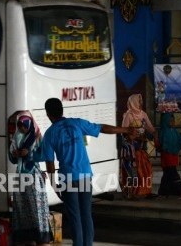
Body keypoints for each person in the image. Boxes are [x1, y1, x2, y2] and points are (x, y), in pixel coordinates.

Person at [41, 98, 136, 246]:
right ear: (62, 110)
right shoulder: (77, 123)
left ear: (48, 114)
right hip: (85, 176)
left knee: (75, 217)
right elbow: (102, 128)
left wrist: (54, 185)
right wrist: (124, 130)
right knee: (86, 215)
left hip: (68, 179)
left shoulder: (49, 134)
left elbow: (49, 164)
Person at [8, 114, 51, 246]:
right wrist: (14, 155)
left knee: (36, 207)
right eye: (20, 127)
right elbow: (12, 157)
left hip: (33, 175)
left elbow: (43, 155)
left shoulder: (37, 137)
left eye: (24, 127)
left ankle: (40, 236)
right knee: (22, 207)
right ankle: (25, 236)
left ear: (29, 125)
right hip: (21, 176)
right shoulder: (16, 137)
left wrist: (29, 154)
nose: (22, 130)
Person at [122, 93, 157, 198]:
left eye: (141, 101)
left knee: (146, 169)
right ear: (134, 102)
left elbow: (150, 128)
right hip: (132, 149)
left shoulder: (143, 114)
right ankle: (130, 193)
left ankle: (146, 191)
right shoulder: (128, 115)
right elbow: (123, 131)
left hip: (142, 147)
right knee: (132, 171)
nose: (141, 103)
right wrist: (134, 136)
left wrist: (155, 134)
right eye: (139, 101)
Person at [155, 112, 181, 199]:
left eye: (173, 121)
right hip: (166, 157)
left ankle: (164, 193)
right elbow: (159, 146)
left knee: (169, 174)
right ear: (165, 121)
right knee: (171, 174)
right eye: (170, 121)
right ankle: (180, 192)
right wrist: (157, 142)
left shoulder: (174, 132)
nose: (173, 123)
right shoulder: (163, 132)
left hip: (173, 157)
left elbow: (180, 143)